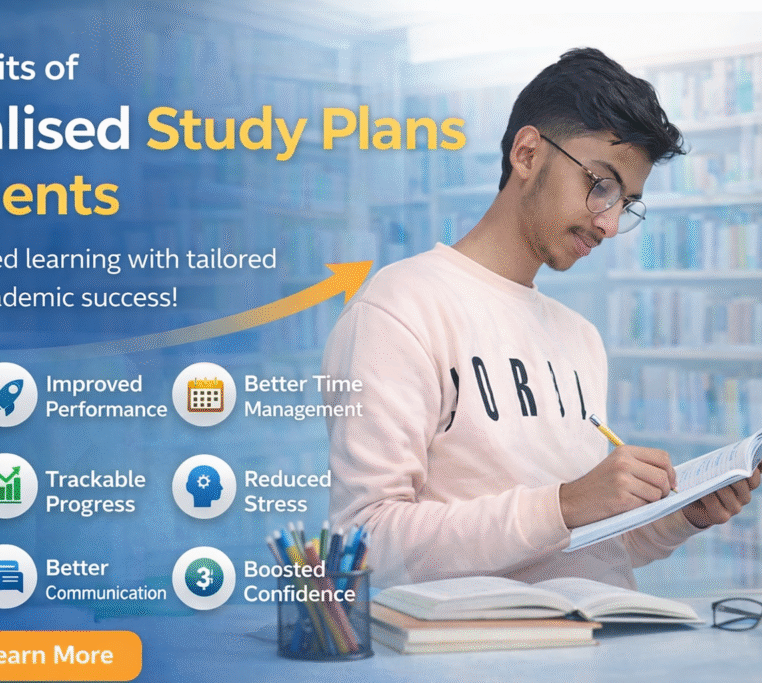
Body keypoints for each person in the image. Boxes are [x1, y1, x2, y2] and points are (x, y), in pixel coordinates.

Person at [322, 47, 761, 590]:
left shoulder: (581, 338)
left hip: (604, 630)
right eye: (600, 186)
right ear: (527, 154)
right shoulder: (398, 309)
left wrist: (679, 517)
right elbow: (364, 543)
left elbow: (579, 545)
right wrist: (563, 503)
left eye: (626, 203)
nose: (609, 224)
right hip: (490, 641)